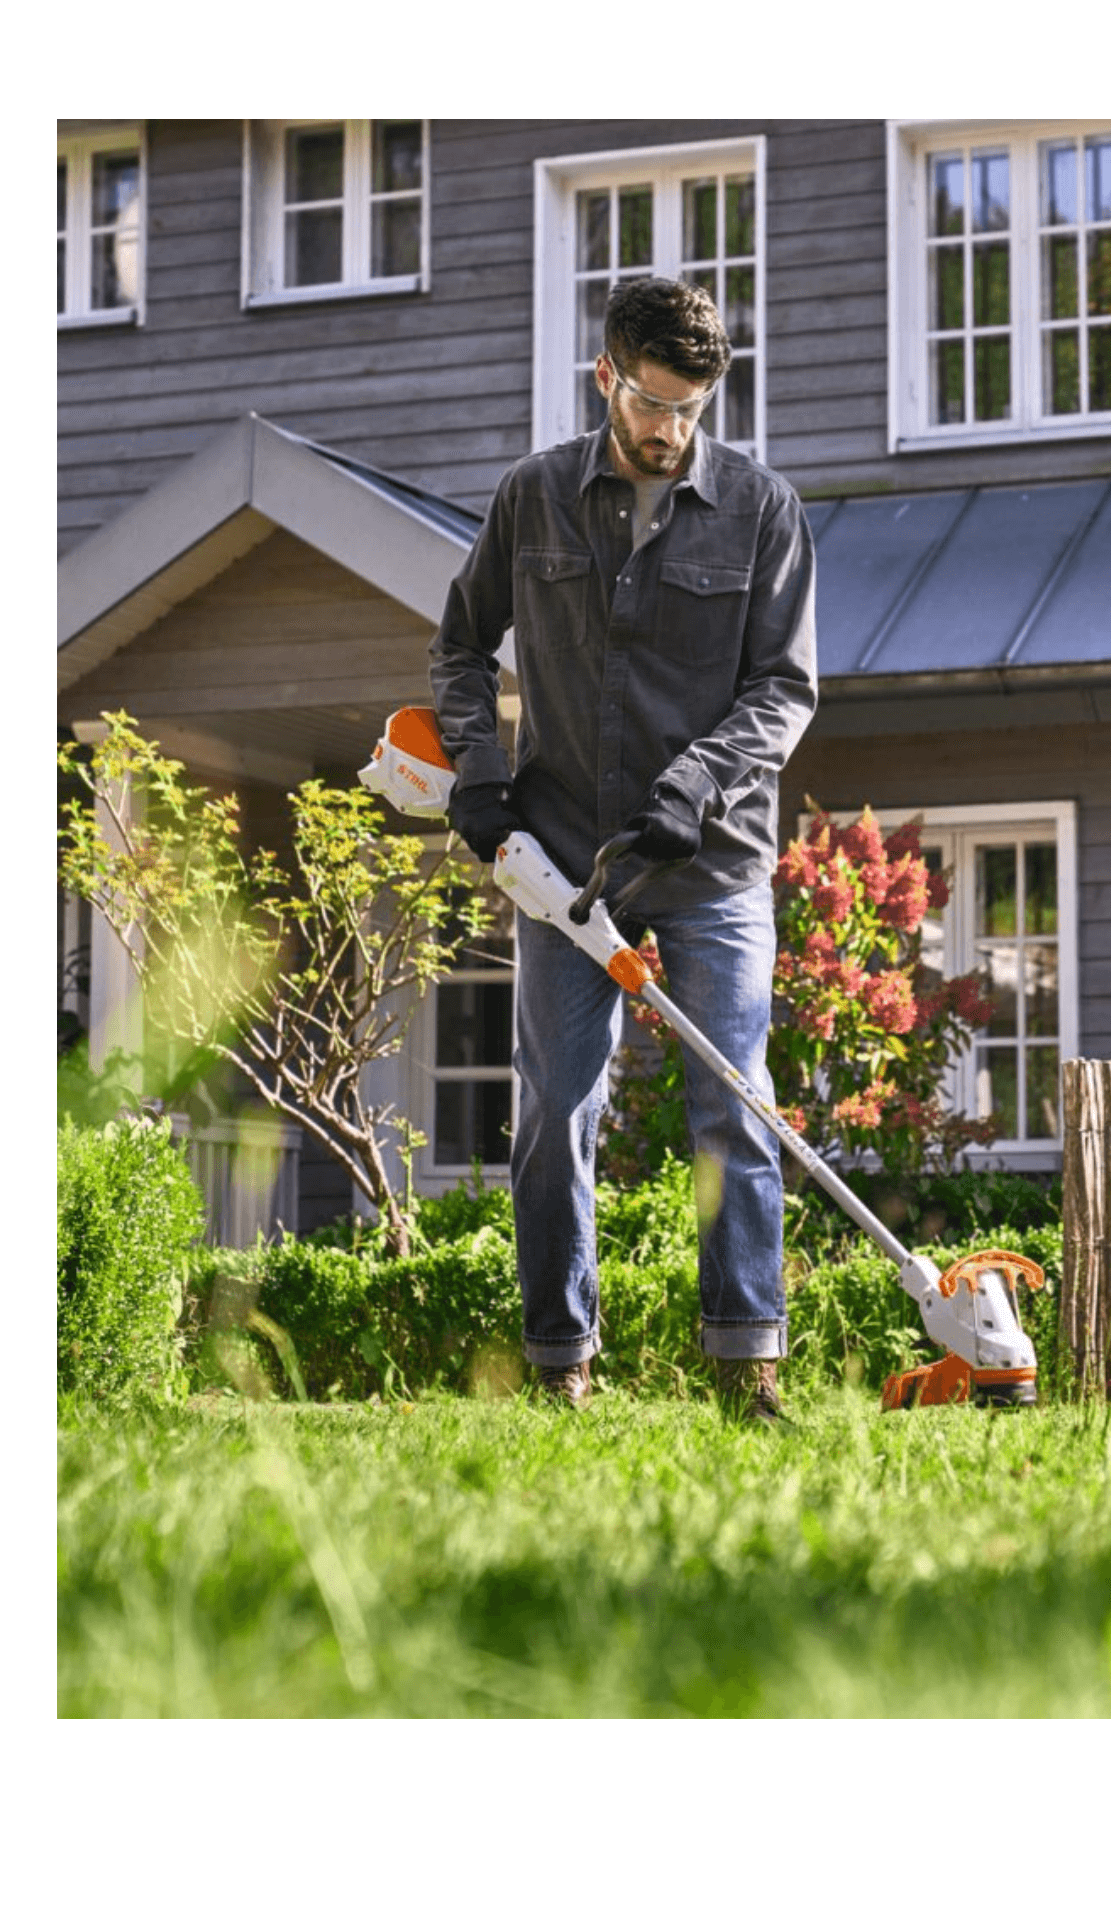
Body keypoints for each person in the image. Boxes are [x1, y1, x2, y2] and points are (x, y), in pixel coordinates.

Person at [429, 275, 818, 1422]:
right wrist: (479, 775)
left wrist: (695, 781)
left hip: (711, 862)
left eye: (690, 408)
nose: (668, 429)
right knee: (556, 1107)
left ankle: (746, 1371)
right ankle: (560, 1363)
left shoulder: (761, 510)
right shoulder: (533, 497)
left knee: (731, 1105)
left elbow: (784, 689)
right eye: (651, 402)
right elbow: (460, 648)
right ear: (606, 375)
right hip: (562, 859)